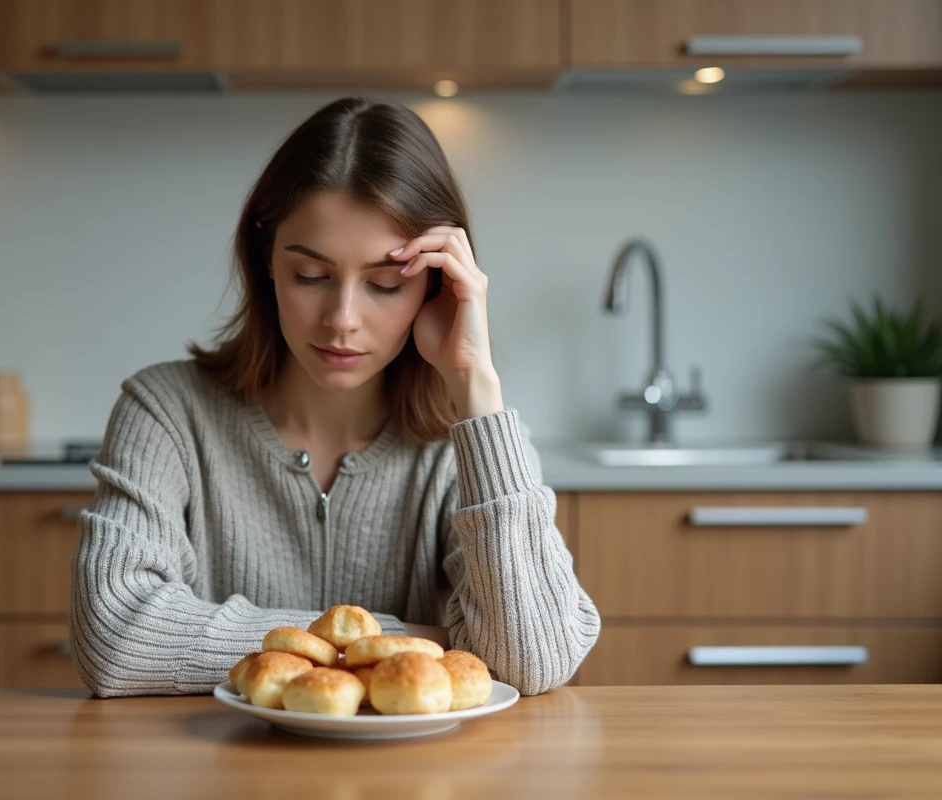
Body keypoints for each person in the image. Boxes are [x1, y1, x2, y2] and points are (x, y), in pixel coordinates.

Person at [69, 97, 600, 698]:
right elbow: (114, 640)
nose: (342, 319)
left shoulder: (473, 443)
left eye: (385, 283)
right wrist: (412, 646)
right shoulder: (165, 410)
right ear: (267, 256)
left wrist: (475, 383)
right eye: (311, 276)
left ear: (435, 283)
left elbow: (534, 659)